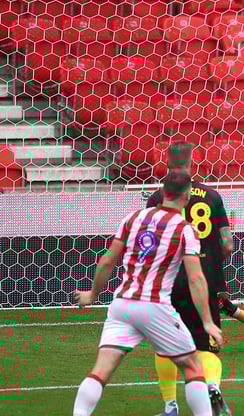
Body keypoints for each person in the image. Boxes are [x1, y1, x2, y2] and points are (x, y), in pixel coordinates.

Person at [72, 171, 223, 416]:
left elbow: (107, 261)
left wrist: (92, 294)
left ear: (163, 193)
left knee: (101, 371)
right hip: (154, 306)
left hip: (121, 305)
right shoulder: (185, 230)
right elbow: (196, 278)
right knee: (193, 366)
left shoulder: (132, 219)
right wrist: (207, 321)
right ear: (186, 197)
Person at [147, 142, 234, 416]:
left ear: (167, 164)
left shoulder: (157, 198)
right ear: (191, 163)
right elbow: (228, 243)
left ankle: (171, 406)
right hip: (204, 279)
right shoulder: (212, 196)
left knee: (165, 346)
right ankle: (212, 386)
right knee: (205, 344)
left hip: (169, 282)